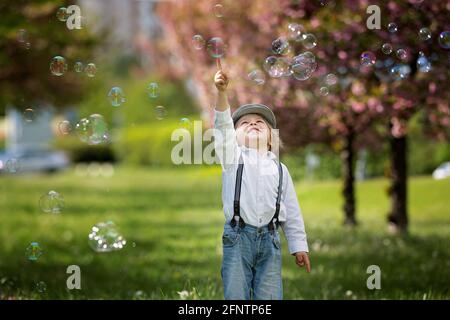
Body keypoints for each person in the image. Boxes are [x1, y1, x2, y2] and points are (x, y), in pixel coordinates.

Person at [213, 69, 311, 300]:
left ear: (271, 138)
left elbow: (292, 211)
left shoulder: (280, 169)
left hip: (270, 241)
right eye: (245, 123)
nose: (253, 123)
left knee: (269, 297)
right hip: (238, 238)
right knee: (236, 296)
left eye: (260, 123)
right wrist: (221, 93)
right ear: (234, 137)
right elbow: (222, 126)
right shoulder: (232, 158)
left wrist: (299, 245)